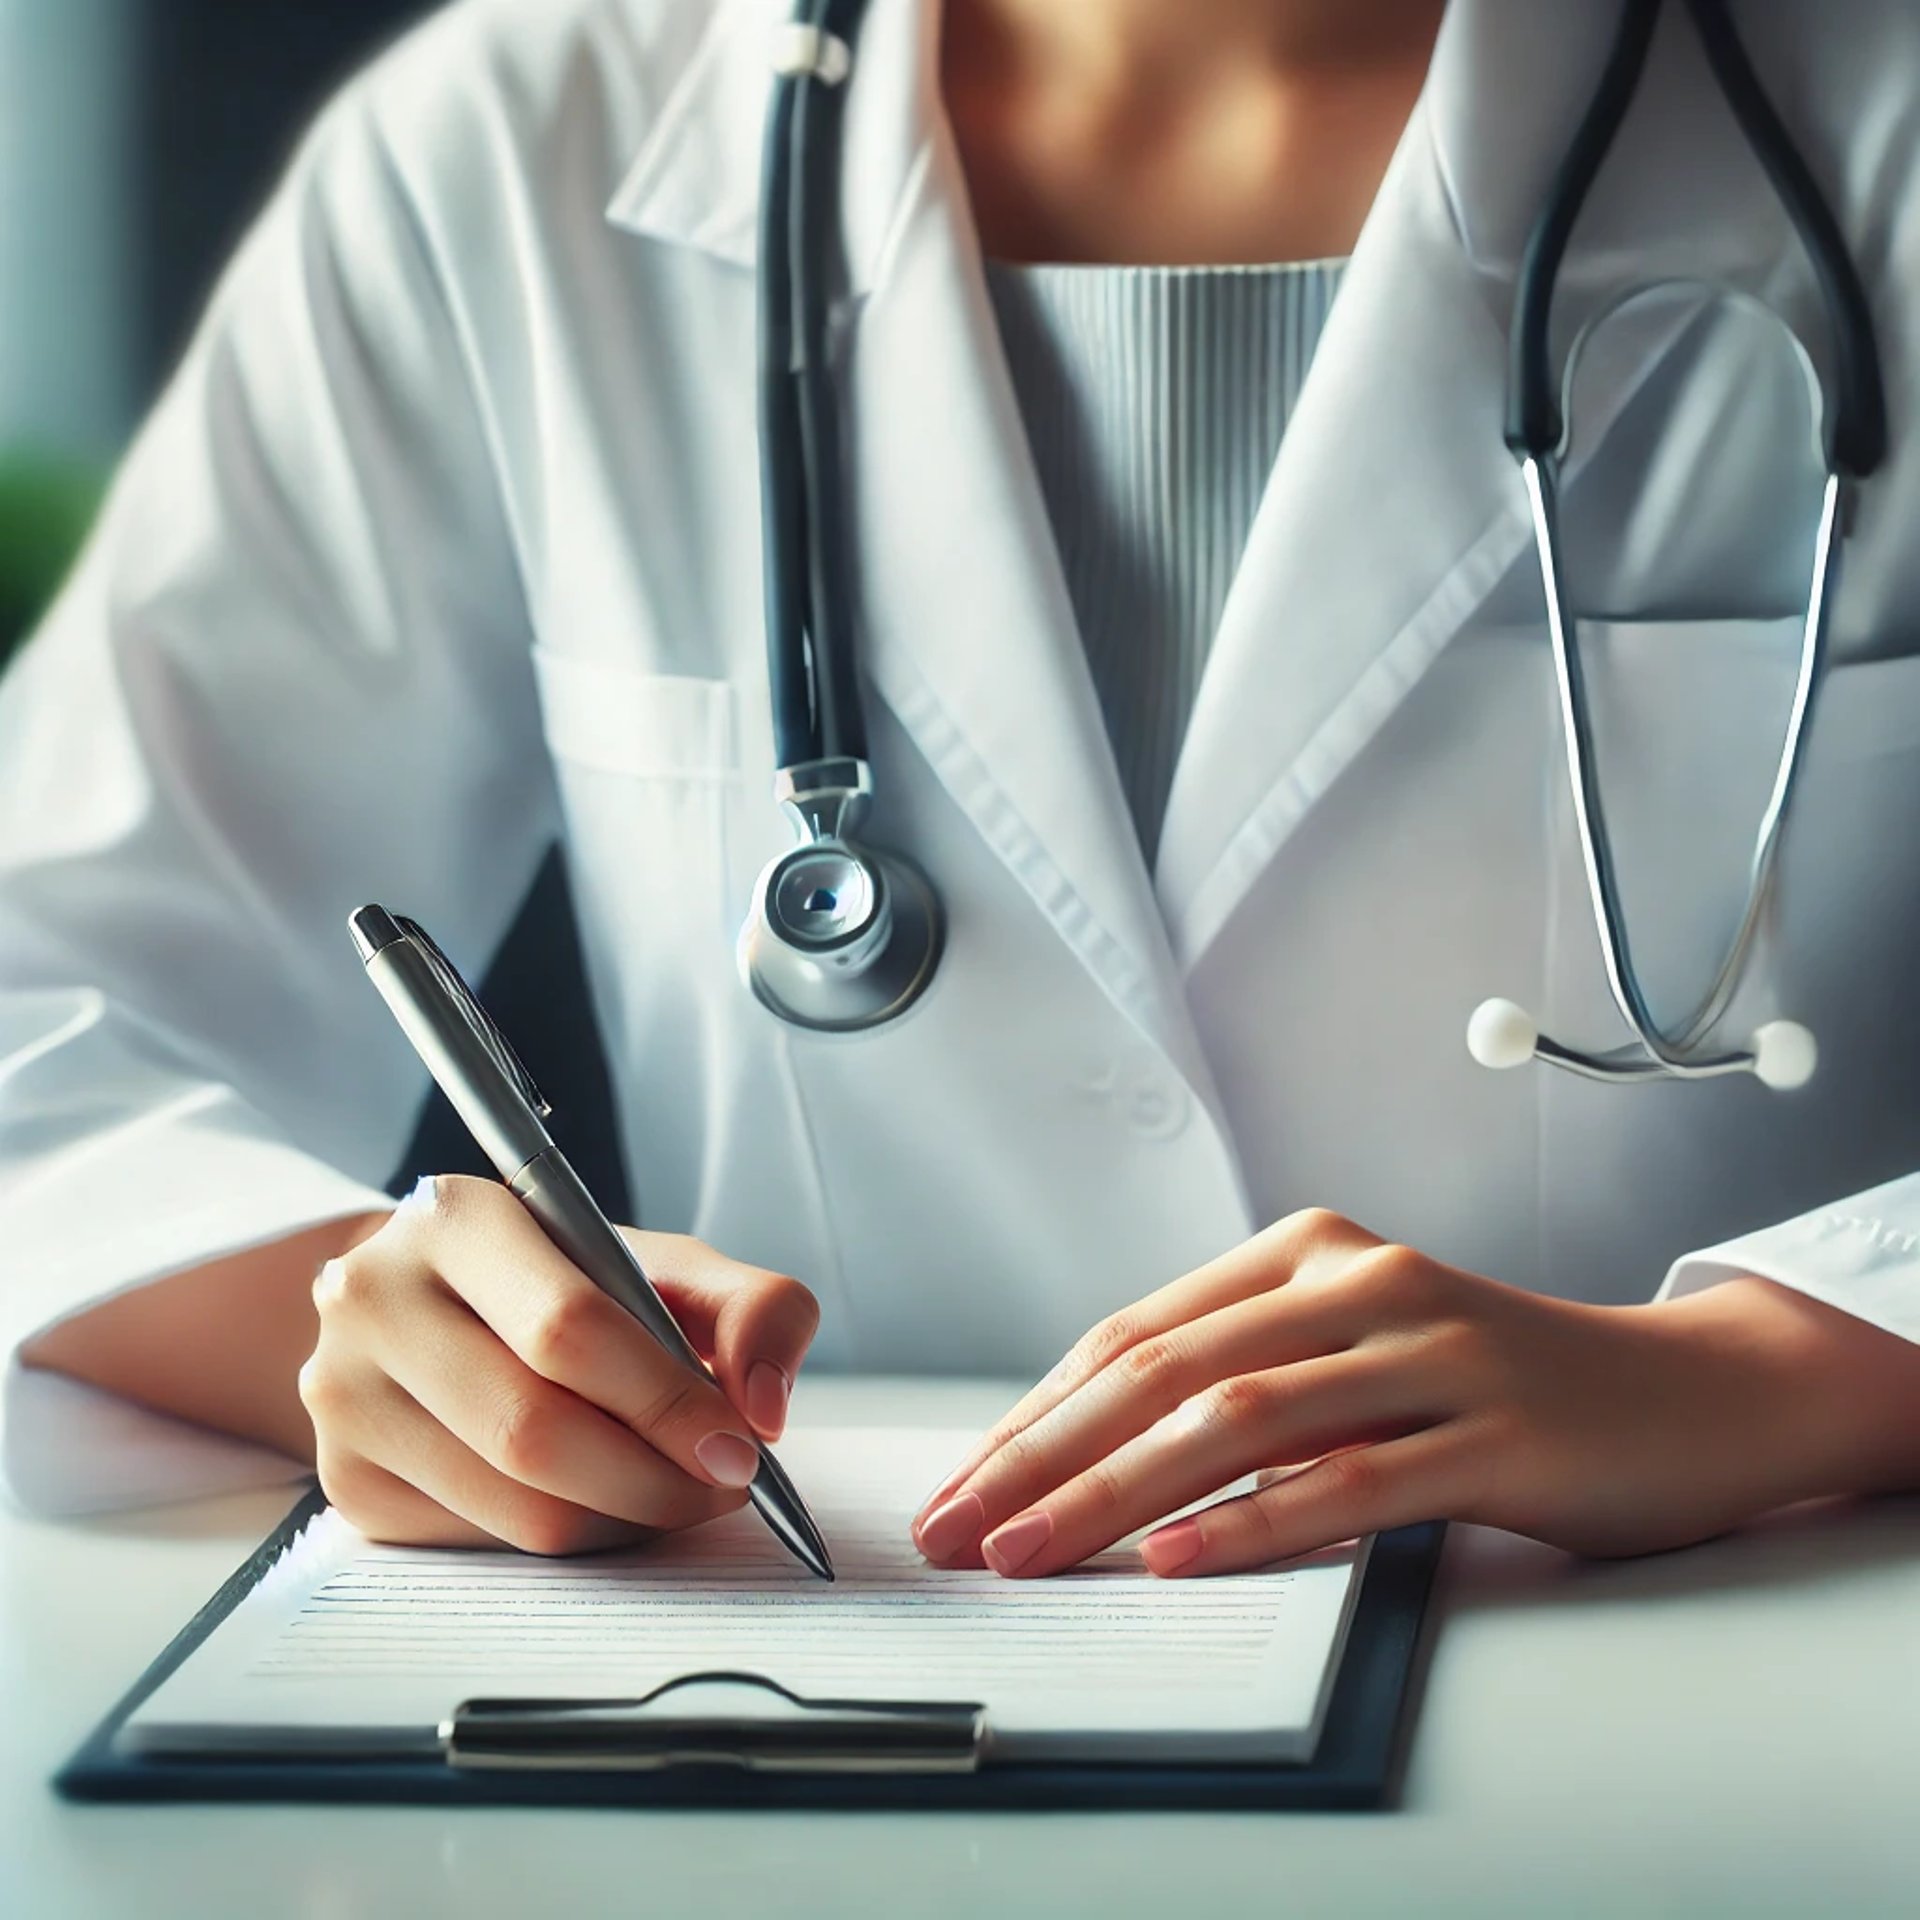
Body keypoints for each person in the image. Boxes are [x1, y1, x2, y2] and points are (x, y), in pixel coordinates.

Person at [4, 0, 1920, 1580]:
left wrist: (1780, 1366)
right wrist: (416, 1340)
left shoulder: (1880, 123)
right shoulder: (513, 148)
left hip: (1726, 1684)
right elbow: (47, 1007)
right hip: (840, 1689)